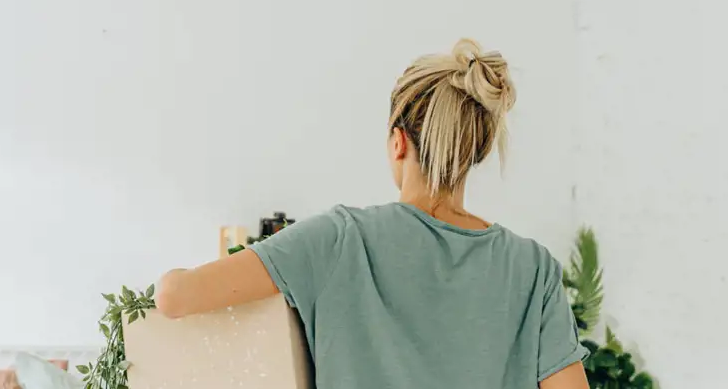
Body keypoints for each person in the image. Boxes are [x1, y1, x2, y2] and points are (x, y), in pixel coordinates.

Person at [154, 39, 590, 389]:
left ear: (398, 142)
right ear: (475, 150)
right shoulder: (533, 269)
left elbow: (175, 297)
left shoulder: (339, 239)